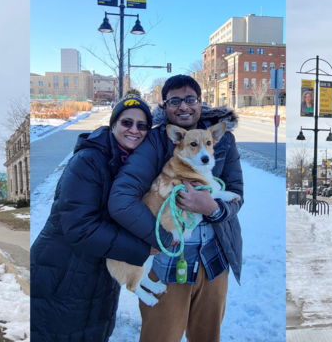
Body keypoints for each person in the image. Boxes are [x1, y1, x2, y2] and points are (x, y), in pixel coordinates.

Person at [109, 75, 243, 342]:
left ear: (200, 102)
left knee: (208, 336)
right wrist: (161, 238)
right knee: (161, 336)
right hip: (166, 260)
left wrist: (212, 208)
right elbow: (122, 199)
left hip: (214, 257)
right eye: (175, 101)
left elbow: (237, 194)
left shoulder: (223, 140)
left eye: (190, 99)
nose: (184, 106)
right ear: (165, 105)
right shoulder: (155, 140)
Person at [30, 96, 157, 341]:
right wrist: (141, 248)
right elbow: (80, 228)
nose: (134, 130)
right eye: (127, 122)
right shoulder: (89, 161)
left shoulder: (131, 165)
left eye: (142, 125)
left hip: (99, 280)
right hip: (63, 275)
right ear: (113, 124)